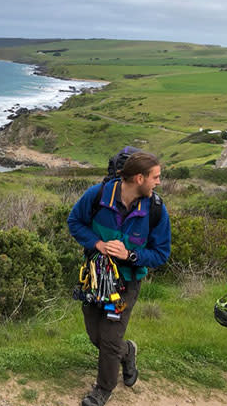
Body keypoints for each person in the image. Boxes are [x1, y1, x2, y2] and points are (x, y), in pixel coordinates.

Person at [67, 152, 171, 406]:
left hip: (126, 283)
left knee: (110, 339)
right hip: (95, 278)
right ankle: (128, 352)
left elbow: (161, 253)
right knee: (97, 336)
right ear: (139, 178)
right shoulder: (98, 195)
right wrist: (97, 243)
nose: (158, 182)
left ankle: (103, 389)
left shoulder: (156, 210)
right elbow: (75, 222)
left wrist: (131, 254)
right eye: (155, 177)